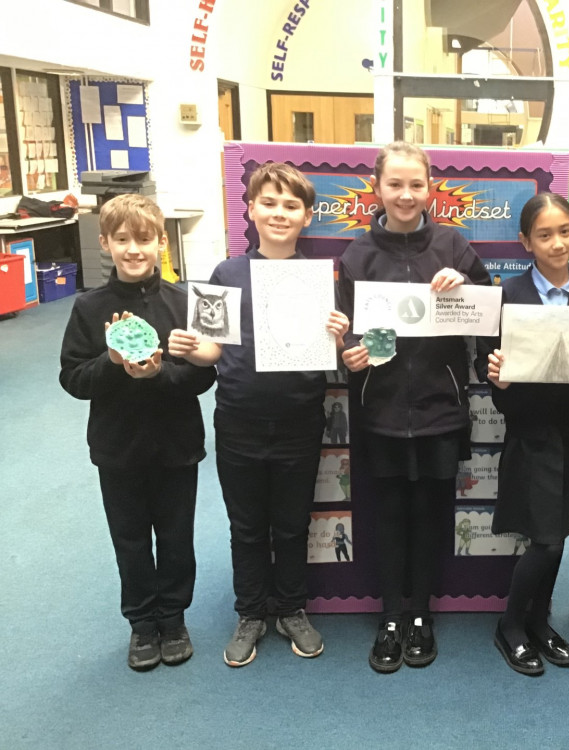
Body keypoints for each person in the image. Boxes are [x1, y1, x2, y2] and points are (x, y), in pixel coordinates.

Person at [168, 162, 349, 668]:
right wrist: (189, 347)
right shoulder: (226, 274)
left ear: (307, 216)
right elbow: (210, 350)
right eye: (268, 202)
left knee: (292, 525)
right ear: (250, 209)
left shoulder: (321, 279)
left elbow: (335, 357)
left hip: (299, 421)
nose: (279, 213)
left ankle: (291, 608)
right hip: (239, 419)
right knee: (246, 526)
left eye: (291, 205)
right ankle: (250, 612)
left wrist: (339, 335)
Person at [338, 141, 490, 673]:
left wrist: (465, 284)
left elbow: (487, 317)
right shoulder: (357, 255)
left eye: (416, 184)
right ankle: (390, 615)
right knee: (386, 516)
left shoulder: (454, 245)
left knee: (430, 516)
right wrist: (348, 356)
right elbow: (343, 333)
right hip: (378, 411)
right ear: (376, 188)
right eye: (395, 184)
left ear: (430, 188)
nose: (406, 195)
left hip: (440, 410)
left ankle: (421, 614)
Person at [59, 193, 216, 671]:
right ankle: (142, 624)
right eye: (122, 239)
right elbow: (72, 378)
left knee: (175, 536)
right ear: (105, 242)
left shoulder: (183, 301)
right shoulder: (89, 307)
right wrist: (112, 363)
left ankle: (173, 619)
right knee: (129, 538)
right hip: (118, 448)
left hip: (176, 444)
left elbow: (203, 376)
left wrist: (158, 374)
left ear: (160, 243)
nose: (133, 249)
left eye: (144, 239)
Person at [479, 193, 569, 676]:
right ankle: (512, 626)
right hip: (532, 434)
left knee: (562, 530)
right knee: (547, 541)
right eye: (544, 235)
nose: (557, 243)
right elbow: (491, 368)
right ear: (525, 242)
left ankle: (540, 621)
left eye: (565, 232)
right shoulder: (510, 295)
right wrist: (497, 375)